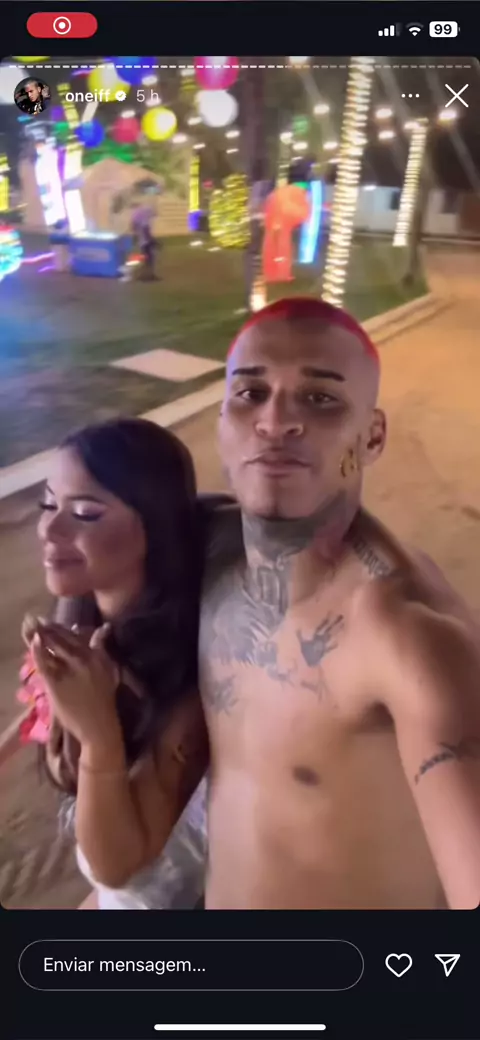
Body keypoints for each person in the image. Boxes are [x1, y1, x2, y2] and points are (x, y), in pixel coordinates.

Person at [198, 295, 480, 910]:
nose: (276, 421)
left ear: (372, 436)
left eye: (320, 399)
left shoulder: (404, 635)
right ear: (221, 422)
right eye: (250, 394)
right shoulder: (205, 555)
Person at [20, 418, 215, 909]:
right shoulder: (89, 628)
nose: (49, 528)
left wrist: (98, 737)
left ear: (155, 527)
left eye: (85, 513)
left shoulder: (188, 684)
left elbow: (117, 868)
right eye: (48, 503)